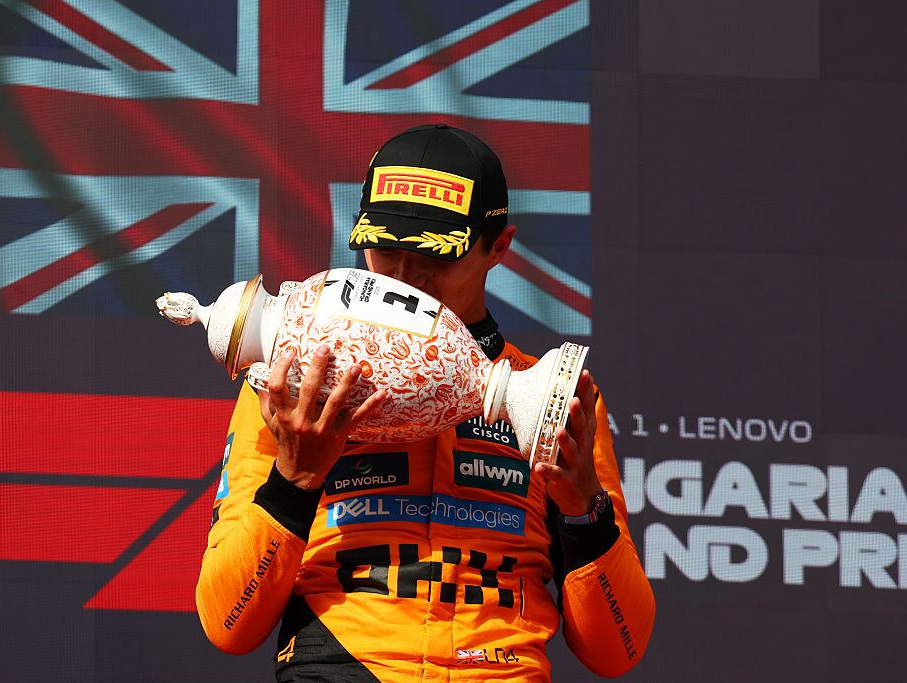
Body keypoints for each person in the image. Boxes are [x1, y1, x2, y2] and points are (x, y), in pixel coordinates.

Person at [196, 124, 656, 681]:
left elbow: (618, 650)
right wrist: (294, 478)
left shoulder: (555, 397)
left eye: (434, 257)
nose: (405, 277)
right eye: (383, 251)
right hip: (341, 667)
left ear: (499, 248)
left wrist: (585, 509)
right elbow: (228, 623)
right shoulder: (288, 385)